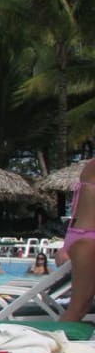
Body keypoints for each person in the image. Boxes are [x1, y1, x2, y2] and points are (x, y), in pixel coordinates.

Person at [60, 129, 95, 321]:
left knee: (81, 305)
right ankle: (54, 343)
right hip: (87, 240)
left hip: (84, 237)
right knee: (78, 307)